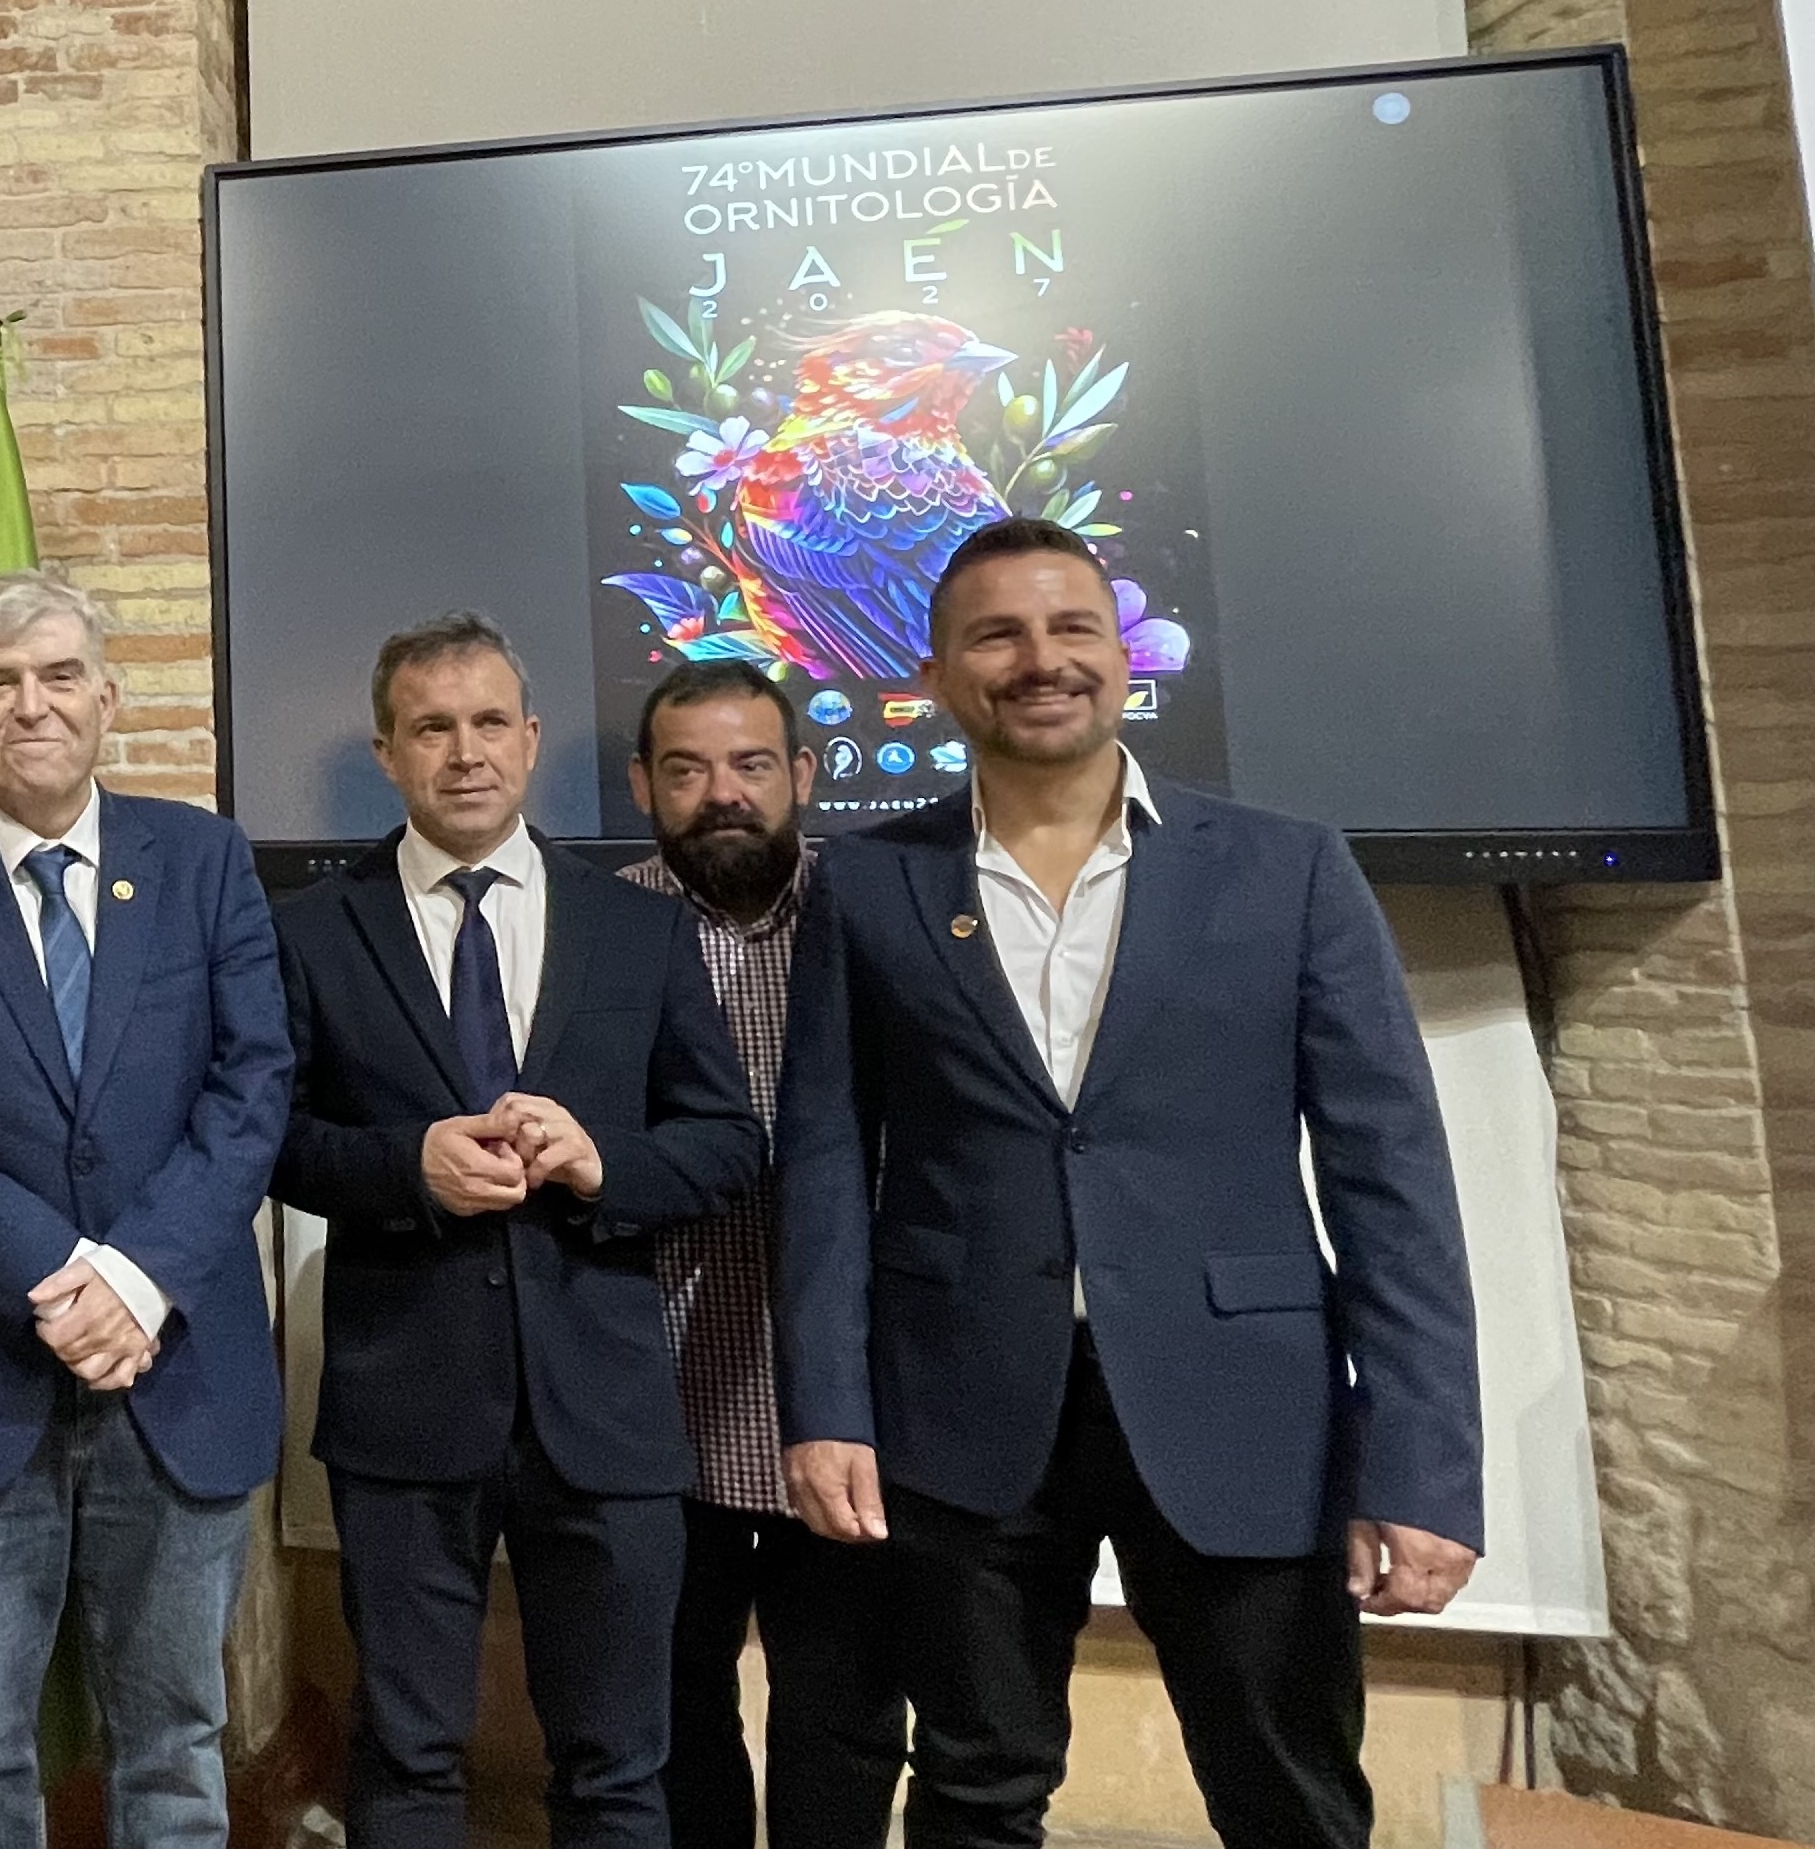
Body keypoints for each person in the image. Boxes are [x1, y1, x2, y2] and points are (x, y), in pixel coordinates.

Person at [776, 516, 1486, 1849]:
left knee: (1289, 1791)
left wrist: (1426, 1462)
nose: (1039, 659)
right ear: (935, 675)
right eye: (996, 634)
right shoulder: (866, 885)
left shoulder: (1290, 869)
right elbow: (820, 1159)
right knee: (978, 1788)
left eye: (1071, 628)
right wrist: (824, 1405)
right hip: (961, 1411)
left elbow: (1391, 1179)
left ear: (1123, 657)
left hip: (1246, 1414)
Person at [269, 615, 761, 1849]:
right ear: (389, 752)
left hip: (606, 1412)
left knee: (617, 1764)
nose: (465, 752)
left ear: (533, 741)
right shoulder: (315, 933)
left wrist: (605, 1166)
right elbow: (266, 1138)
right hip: (405, 1412)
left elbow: (726, 1140)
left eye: (490, 723)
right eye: (432, 728)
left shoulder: (639, 929)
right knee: (410, 1753)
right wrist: (407, 1166)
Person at [0, 571, 295, 1849]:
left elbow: (254, 1082)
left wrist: (138, 1280)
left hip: (177, 1362)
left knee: (178, 1740)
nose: (30, 705)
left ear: (106, 697)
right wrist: (57, 1277)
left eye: (58, 676)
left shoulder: (203, 857)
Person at [614, 659, 905, 1849]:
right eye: (686, 770)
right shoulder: (600, 930)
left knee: (842, 1708)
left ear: (802, 772)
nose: (719, 794)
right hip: (657, 1396)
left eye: (748, 766)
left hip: (845, 1397)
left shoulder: (880, 913)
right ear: (643, 786)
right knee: (674, 1703)